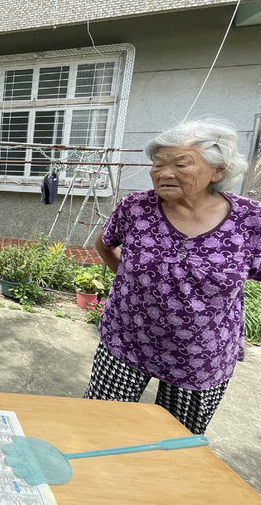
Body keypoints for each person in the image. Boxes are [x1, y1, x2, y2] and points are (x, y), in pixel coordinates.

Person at [84, 118, 259, 434]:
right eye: (158, 164)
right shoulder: (135, 208)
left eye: (181, 164)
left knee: (176, 441)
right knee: (98, 425)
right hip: (127, 341)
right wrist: (131, 281)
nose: (163, 173)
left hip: (200, 357)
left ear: (218, 171)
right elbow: (105, 244)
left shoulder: (249, 220)